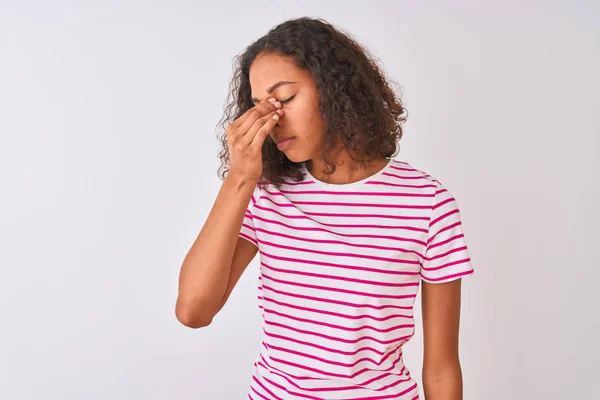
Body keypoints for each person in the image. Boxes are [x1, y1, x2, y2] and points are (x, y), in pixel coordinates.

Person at [176, 16, 474, 400]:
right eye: (259, 107)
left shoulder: (428, 204)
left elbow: (441, 368)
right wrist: (239, 179)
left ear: (334, 89)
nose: (273, 120)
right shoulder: (265, 193)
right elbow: (193, 312)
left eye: (283, 99)